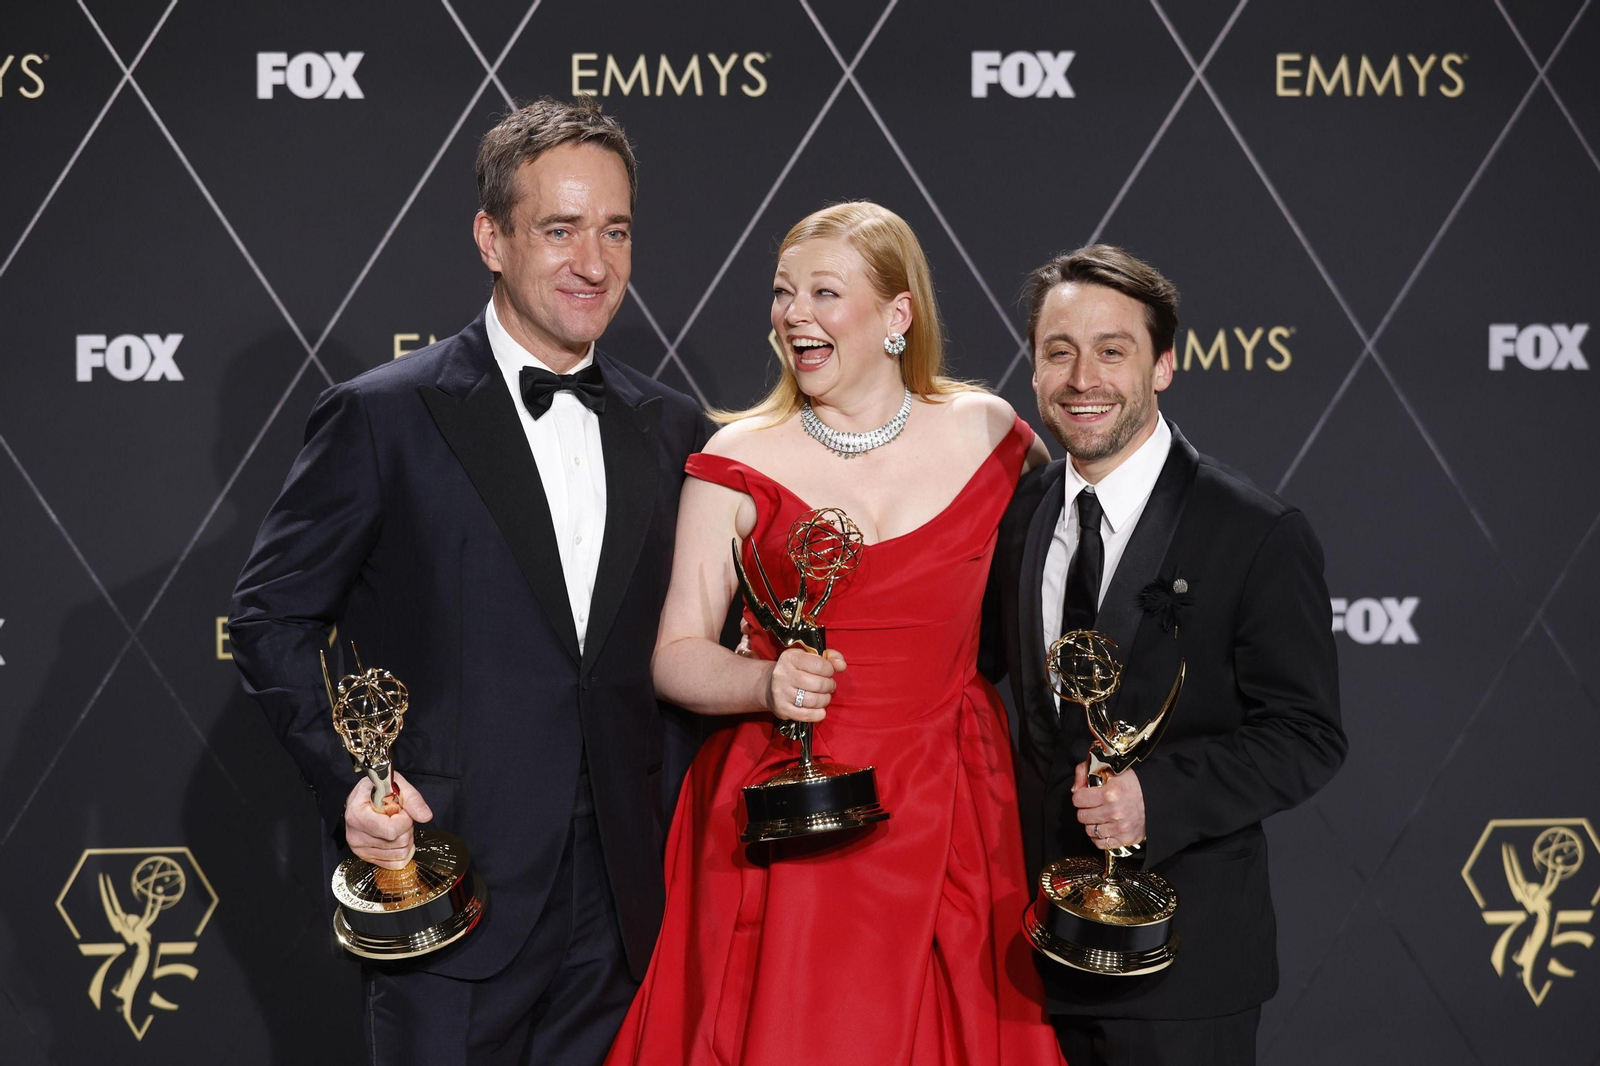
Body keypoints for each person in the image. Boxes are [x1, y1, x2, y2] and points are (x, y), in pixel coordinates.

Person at [228, 98, 708, 1065]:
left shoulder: (674, 427)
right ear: (492, 239)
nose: (594, 262)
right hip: (448, 883)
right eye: (560, 230)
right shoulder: (382, 418)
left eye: (615, 231)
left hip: (626, 902)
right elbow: (270, 616)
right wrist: (352, 783)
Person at [604, 201, 1065, 1066]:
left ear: (898, 314)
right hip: (794, 806)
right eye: (783, 293)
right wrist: (764, 682)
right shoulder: (738, 457)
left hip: (952, 795)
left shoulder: (993, 435)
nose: (794, 314)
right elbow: (675, 655)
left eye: (824, 292)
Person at [982, 244, 1347, 1064]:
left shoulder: (1255, 533)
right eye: (1059, 352)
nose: (1084, 379)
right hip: (1031, 960)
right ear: (1034, 370)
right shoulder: (1023, 510)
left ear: (1165, 365)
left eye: (1113, 351)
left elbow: (1307, 735)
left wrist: (1158, 797)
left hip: (1183, 972)